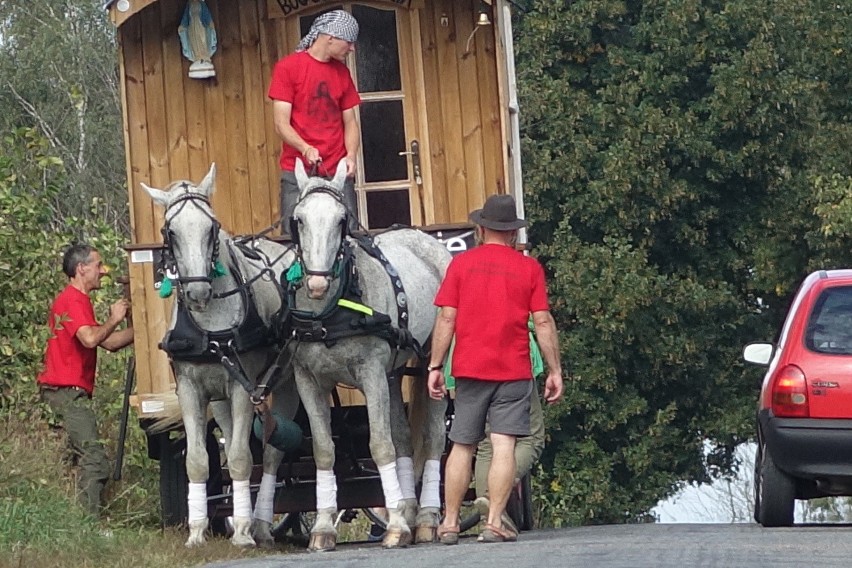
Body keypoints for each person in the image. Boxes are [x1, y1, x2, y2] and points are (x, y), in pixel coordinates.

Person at [427, 194, 563, 544]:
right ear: (513, 232)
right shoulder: (529, 268)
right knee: (503, 446)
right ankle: (492, 522)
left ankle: (450, 523)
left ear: (482, 227)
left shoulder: (461, 265)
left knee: (462, 445)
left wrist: (436, 365)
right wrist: (554, 370)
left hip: (470, 369)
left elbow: (446, 317)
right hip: (513, 370)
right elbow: (543, 322)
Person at [37, 244, 134, 517]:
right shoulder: (71, 300)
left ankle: (69, 522)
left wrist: (142, 330)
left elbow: (110, 343)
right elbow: (91, 338)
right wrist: (115, 319)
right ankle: (90, 523)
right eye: (98, 265)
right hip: (65, 393)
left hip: (65, 392)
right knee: (94, 458)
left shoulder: (80, 301)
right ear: (82, 269)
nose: (103, 271)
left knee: (69, 461)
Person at [268, 10, 361, 236]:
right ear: (330, 37)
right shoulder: (288, 68)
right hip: (297, 170)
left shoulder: (342, 72)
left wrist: (350, 156)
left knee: (350, 236)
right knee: (294, 237)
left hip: (337, 172)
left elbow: (350, 122)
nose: (352, 48)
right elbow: (281, 123)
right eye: (348, 42)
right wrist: (305, 148)